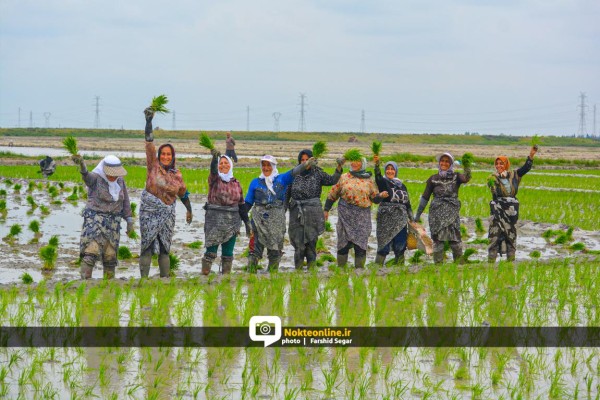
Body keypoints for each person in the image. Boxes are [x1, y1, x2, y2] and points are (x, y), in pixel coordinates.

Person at [139, 107, 193, 278]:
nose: (166, 157)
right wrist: (149, 122)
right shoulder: (153, 166)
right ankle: (144, 281)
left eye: (169, 155)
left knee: (164, 247)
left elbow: (183, 193)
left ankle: (165, 280)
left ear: (173, 156)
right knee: (147, 245)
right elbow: (149, 143)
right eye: (163, 154)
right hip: (149, 211)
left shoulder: (177, 175)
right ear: (159, 155)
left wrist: (189, 210)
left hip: (168, 214)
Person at [245, 155, 313, 271]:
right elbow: (247, 203)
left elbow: (293, 172)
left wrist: (305, 165)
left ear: (273, 166)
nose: (266, 168)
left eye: (268, 165)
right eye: (264, 165)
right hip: (258, 220)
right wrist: (242, 218)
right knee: (255, 248)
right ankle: (251, 275)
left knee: (275, 249)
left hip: (276, 220)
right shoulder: (255, 182)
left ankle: (272, 275)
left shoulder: (281, 179)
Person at [71, 154, 133, 279]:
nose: (113, 176)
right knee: (91, 252)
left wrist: (129, 220)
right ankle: (85, 283)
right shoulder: (96, 178)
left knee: (110, 256)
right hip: (95, 222)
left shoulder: (120, 180)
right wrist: (82, 164)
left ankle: (108, 286)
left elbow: (125, 201)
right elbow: (86, 177)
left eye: (116, 173)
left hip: (113, 225)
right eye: (111, 173)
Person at [288, 149, 344, 269]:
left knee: (311, 242)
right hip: (296, 212)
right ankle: (297, 270)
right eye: (302, 160)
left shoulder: (318, 173)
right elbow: (287, 194)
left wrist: (339, 166)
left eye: (307, 159)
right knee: (299, 244)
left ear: (312, 160)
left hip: (313, 212)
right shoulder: (293, 174)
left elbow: (332, 180)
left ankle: (311, 270)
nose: (305, 162)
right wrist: (283, 210)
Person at [324, 157, 384, 269]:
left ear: (363, 164)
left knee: (360, 245)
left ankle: (359, 271)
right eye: (353, 160)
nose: (354, 163)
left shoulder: (369, 180)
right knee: (343, 244)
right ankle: (341, 271)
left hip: (362, 218)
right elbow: (333, 194)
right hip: (345, 216)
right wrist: (326, 210)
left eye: (358, 161)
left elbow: (375, 198)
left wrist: (380, 196)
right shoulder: (344, 177)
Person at [415, 152, 471, 264]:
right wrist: (417, 215)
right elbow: (425, 197)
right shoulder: (433, 179)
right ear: (439, 163)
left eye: (447, 161)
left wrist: (467, 165)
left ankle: (459, 266)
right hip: (436, 214)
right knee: (438, 241)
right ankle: (438, 267)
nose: (444, 163)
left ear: (451, 163)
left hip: (452, 214)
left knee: (455, 241)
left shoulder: (456, 176)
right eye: (442, 161)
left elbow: (466, 178)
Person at [201, 147, 250, 275]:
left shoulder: (236, 183)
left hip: (232, 222)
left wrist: (247, 223)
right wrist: (214, 159)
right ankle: (205, 276)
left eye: (226, 162)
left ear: (231, 165)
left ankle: (225, 278)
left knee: (228, 253)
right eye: (220, 163)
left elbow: (242, 205)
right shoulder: (215, 180)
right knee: (210, 252)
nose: (223, 165)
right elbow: (212, 170)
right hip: (214, 221)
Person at [487, 146, 538, 262]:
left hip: (511, 212)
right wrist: (493, 187)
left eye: (501, 163)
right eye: (497, 164)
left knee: (511, 237)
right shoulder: (492, 178)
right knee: (494, 237)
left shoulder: (514, 175)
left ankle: (510, 263)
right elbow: (495, 193)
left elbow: (526, 168)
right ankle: (490, 264)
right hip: (497, 212)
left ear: (506, 165)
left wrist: (531, 156)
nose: (498, 166)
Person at [373, 155, 414, 266]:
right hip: (386, 220)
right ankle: (377, 269)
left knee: (400, 245)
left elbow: (407, 203)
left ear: (396, 171)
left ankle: (400, 269)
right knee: (383, 245)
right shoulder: (383, 183)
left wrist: (412, 219)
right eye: (388, 169)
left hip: (401, 220)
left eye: (392, 169)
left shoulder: (402, 186)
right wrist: (377, 165)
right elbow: (378, 178)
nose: (390, 171)